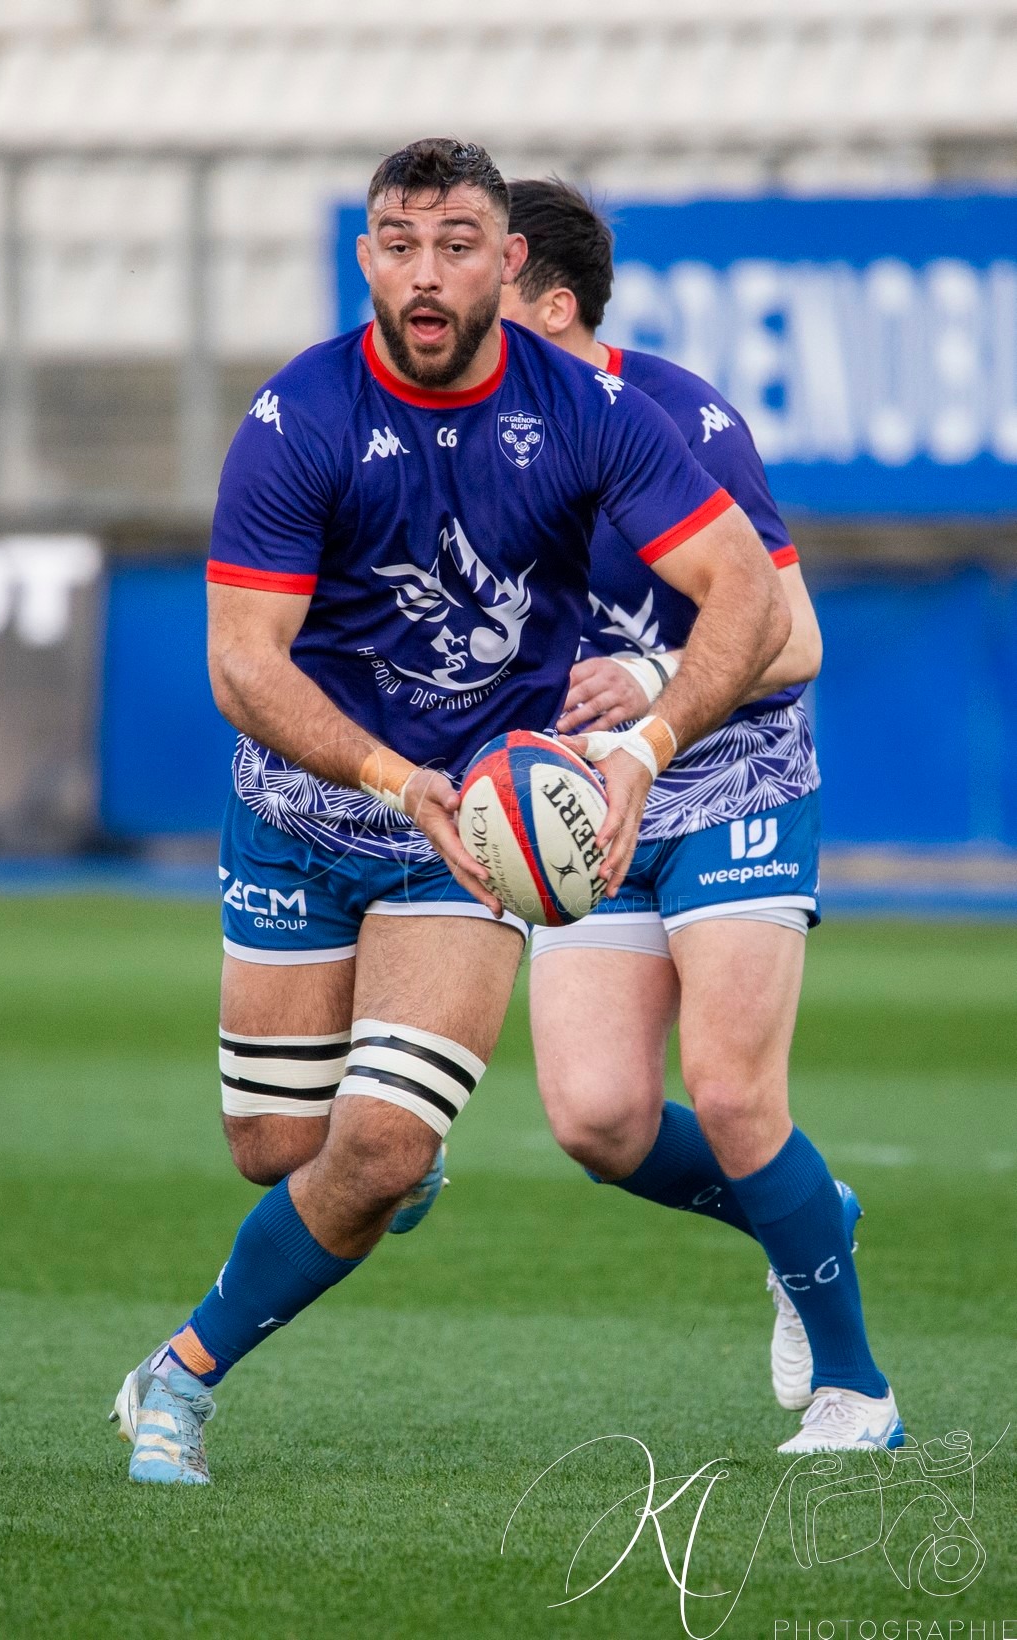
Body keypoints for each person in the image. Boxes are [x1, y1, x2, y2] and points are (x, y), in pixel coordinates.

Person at [110, 139, 790, 1484]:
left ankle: (177, 1379)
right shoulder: (298, 419)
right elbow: (243, 660)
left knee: (373, 1146)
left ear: (507, 260)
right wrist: (384, 776)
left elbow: (748, 595)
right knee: (276, 1153)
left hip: (475, 832)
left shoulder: (586, 411)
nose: (428, 274)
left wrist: (648, 745)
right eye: (401, 244)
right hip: (308, 813)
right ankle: (376, 1171)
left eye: (458, 244)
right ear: (367, 259)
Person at [499, 178, 901, 1454]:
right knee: (600, 1120)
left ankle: (858, 1392)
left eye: (483, 284)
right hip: (589, 798)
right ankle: (804, 1216)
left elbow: (801, 638)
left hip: (730, 773)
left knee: (732, 1094)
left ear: (553, 305)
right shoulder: (462, 445)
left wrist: (662, 681)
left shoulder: (673, 418)